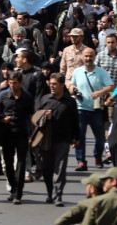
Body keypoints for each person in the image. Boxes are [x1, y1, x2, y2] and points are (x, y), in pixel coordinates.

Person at [0, 70, 34, 204]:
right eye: (10, 83)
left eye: (15, 83)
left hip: (22, 133)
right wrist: (1, 119)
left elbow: (31, 117)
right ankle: (13, 188)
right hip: (6, 133)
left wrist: (32, 135)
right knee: (8, 164)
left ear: (21, 83)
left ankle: (18, 194)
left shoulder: (27, 97)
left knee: (21, 164)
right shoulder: (3, 95)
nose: (13, 86)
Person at [69, 48, 114, 171]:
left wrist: (100, 92)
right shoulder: (77, 71)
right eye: (86, 56)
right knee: (80, 137)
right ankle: (81, 162)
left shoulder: (101, 72)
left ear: (94, 57)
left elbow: (111, 86)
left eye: (91, 56)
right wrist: (72, 89)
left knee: (100, 138)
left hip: (96, 110)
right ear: (82, 57)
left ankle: (97, 156)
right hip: (80, 108)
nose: (88, 58)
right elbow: (72, 84)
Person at [38, 73, 80, 206]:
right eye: (50, 84)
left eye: (55, 84)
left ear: (62, 85)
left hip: (63, 140)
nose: (52, 86)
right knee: (47, 168)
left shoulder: (70, 101)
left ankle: (58, 196)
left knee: (60, 169)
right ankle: (50, 193)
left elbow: (75, 120)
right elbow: (36, 119)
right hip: (46, 140)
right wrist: (45, 116)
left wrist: (76, 137)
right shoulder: (45, 99)